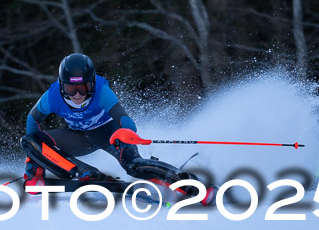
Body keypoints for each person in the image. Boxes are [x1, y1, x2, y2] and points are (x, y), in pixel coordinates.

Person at [20, 53, 217, 206]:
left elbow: (124, 118)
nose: (78, 94)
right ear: (63, 86)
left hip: (109, 133)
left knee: (134, 166)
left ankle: (195, 187)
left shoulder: (102, 92)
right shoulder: (52, 96)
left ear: (92, 84)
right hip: (79, 138)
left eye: (84, 87)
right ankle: (84, 172)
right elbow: (32, 121)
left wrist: (126, 133)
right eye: (72, 90)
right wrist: (35, 161)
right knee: (30, 141)